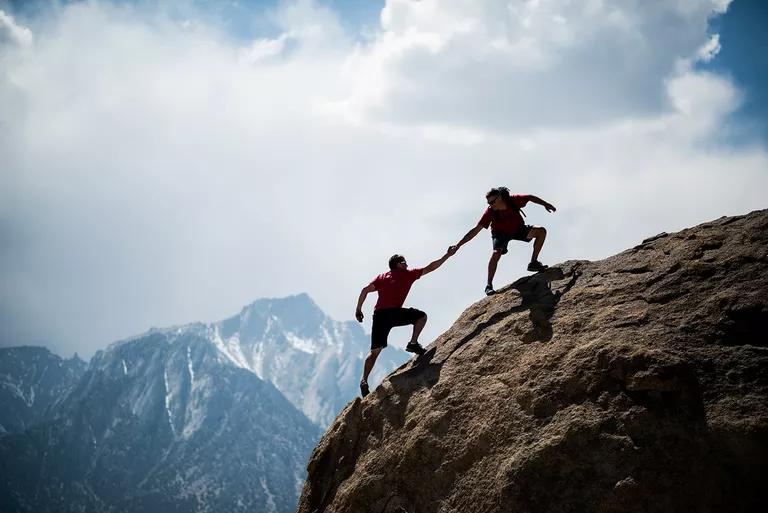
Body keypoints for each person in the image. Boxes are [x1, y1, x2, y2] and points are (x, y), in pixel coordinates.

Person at [355, 248, 455, 397]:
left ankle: (364, 380)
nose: (407, 265)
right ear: (398, 265)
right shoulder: (407, 274)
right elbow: (431, 267)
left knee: (374, 352)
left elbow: (364, 290)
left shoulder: (381, 277)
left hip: (379, 315)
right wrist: (447, 255)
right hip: (394, 313)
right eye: (404, 263)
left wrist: (358, 309)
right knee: (421, 316)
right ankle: (413, 343)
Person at [450, 187, 556, 296]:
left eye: (492, 202)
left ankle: (533, 262)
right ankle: (489, 285)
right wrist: (458, 245)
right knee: (496, 253)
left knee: (541, 232)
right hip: (500, 234)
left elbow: (530, 197)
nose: (491, 205)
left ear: (500, 198)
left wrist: (546, 204)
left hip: (518, 229)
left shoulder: (512, 200)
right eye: (489, 203)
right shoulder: (490, 212)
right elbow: (475, 230)